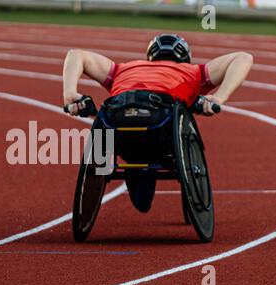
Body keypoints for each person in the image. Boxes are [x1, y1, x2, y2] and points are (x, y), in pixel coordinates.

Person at [62, 34, 253, 213]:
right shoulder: (194, 71)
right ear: (185, 57)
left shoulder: (125, 69)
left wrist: (70, 93)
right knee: (144, 193)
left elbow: (76, 54)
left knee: (113, 124)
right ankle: (144, 167)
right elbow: (243, 58)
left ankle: (127, 165)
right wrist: (219, 97)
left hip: (118, 127)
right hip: (161, 131)